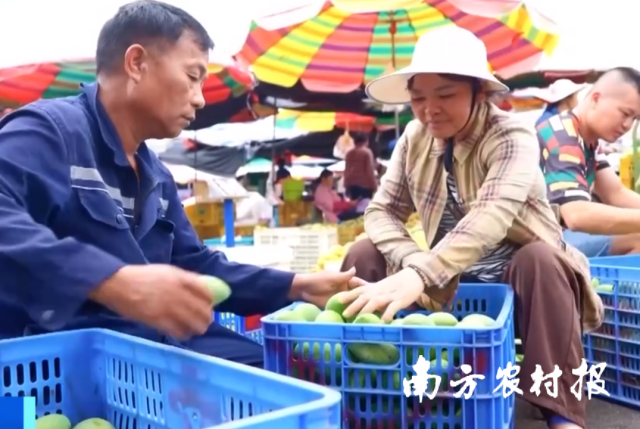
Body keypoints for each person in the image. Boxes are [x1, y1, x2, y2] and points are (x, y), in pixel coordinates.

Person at [0, 1, 364, 367]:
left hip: (155, 350)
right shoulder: (50, 132)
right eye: (192, 77)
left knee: (290, 374)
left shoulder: (156, 175)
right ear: (136, 63)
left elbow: (193, 264)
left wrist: (295, 285)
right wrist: (112, 281)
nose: (200, 98)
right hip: (55, 369)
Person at [335, 26, 603, 429]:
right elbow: (380, 212)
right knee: (362, 252)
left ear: (479, 92)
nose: (429, 110)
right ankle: (371, 392)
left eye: (445, 95)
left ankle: (560, 412)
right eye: (418, 98)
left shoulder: (511, 135)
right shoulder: (414, 136)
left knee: (542, 259)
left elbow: (491, 215)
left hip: (515, 273)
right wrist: (412, 261)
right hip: (444, 273)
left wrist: (421, 273)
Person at [537, 67, 640, 258]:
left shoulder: (588, 139)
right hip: (534, 247)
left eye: (635, 119)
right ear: (596, 99)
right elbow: (576, 215)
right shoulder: (562, 136)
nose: (628, 125)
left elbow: (615, 193)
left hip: (554, 238)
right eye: (625, 114)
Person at [343, 132, 377, 199]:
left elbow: (346, 170)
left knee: (355, 207)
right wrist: (374, 185)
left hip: (351, 185)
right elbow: (369, 171)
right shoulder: (367, 152)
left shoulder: (349, 153)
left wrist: (346, 184)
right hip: (365, 186)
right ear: (366, 142)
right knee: (365, 207)